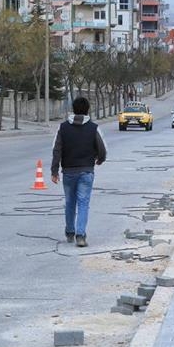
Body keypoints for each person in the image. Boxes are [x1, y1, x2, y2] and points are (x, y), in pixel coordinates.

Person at [51, 97, 107, 247]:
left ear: (73, 109)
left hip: (68, 172)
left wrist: (54, 171)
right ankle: (80, 236)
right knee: (83, 203)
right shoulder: (93, 128)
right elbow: (102, 148)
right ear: (88, 109)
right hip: (86, 172)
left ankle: (70, 231)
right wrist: (100, 159)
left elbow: (57, 150)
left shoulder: (62, 128)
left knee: (70, 202)